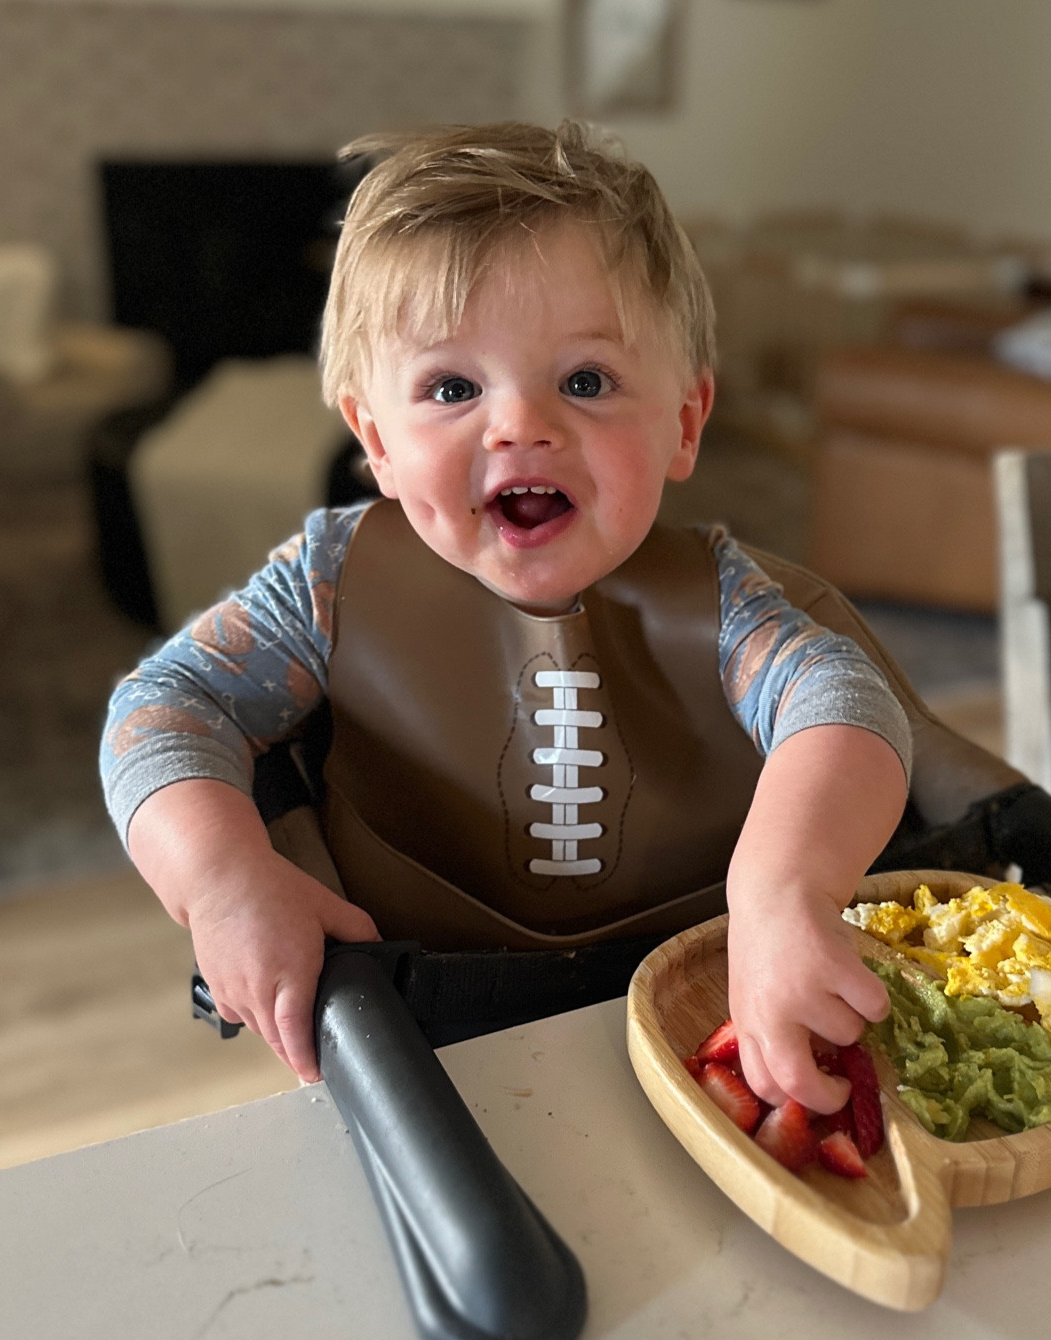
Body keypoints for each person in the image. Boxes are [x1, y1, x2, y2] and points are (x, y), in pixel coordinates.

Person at [101, 121, 911, 1118]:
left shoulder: (723, 602)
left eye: (586, 381)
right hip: (423, 1026)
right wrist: (222, 882)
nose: (521, 424)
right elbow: (164, 706)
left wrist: (784, 888)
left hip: (705, 1015)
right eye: (451, 387)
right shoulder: (327, 586)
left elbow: (844, 704)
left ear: (685, 425)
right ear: (377, 442)